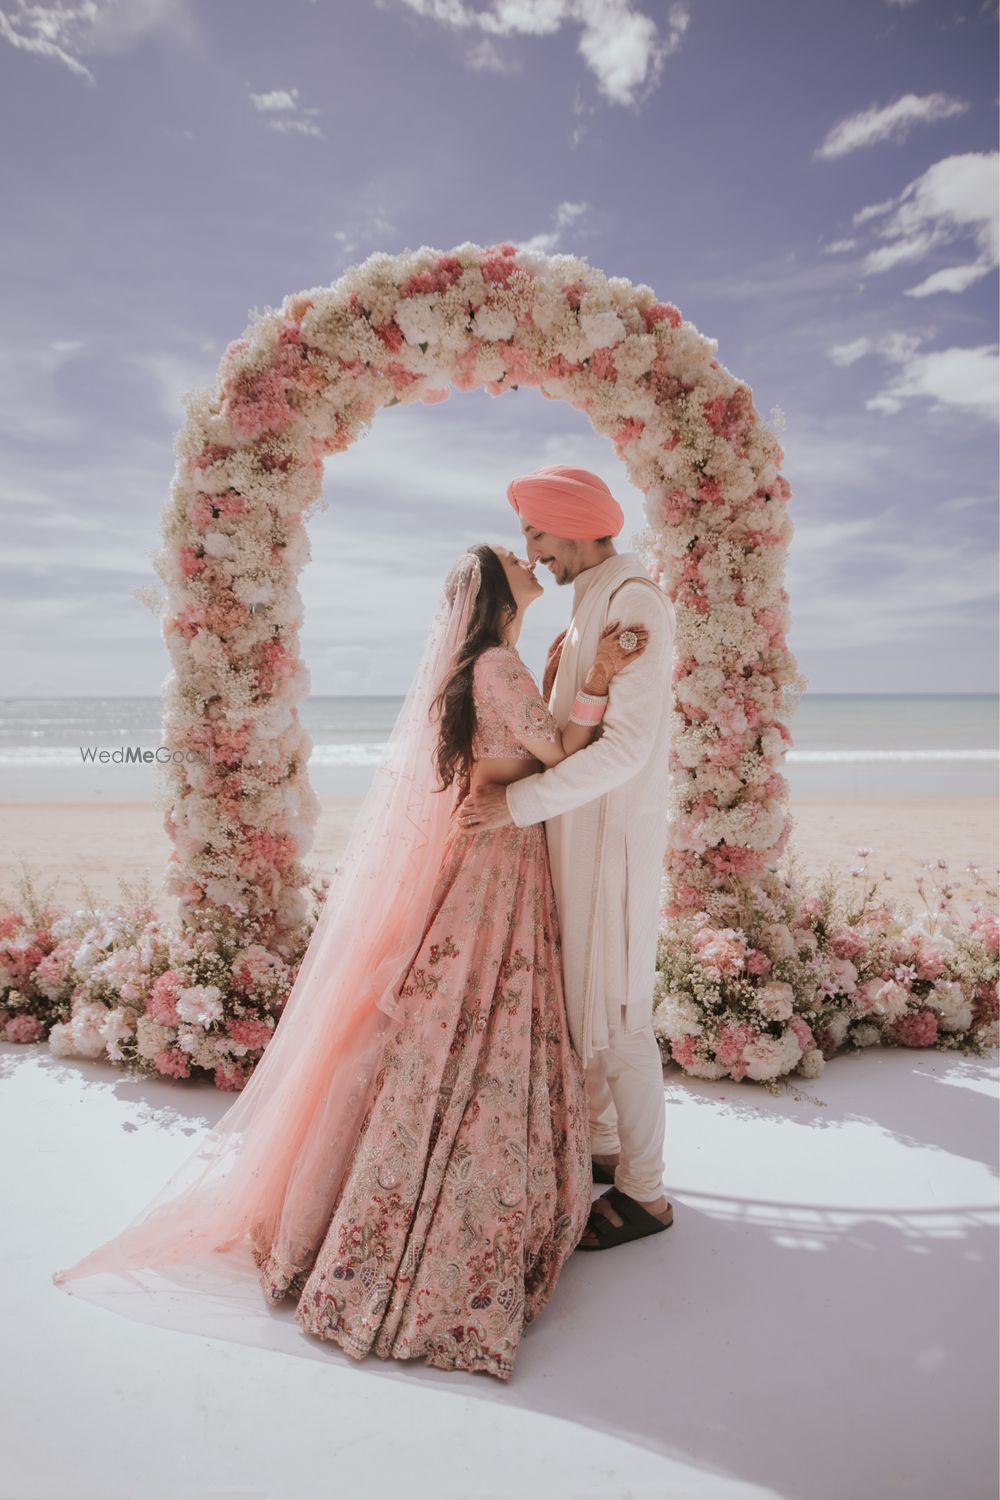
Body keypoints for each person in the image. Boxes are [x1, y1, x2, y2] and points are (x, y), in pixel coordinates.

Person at [52, 541, 649, 1382]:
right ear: (493, 590)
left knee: (444, 1021)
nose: (529, 557)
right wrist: (600, 679)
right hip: (500, 867)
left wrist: (553, 678)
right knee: (479, 1020)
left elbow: (517, 745)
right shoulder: (500, 670)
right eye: (514, 556)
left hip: (481, 855)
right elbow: (562, 757)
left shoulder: (489, 665)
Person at [460, 466, 678, 1252]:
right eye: (527, 540)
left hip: (609, 848)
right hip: (574, 842)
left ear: (577, 524)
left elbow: (623, 752)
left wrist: (514, 807)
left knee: (620, 1021)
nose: (535, 552)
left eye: (537, 533)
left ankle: (646, 1195)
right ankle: (604, 1151)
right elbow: (567, 734)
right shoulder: (595, 603)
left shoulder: (633, 601)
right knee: (590, 1012)